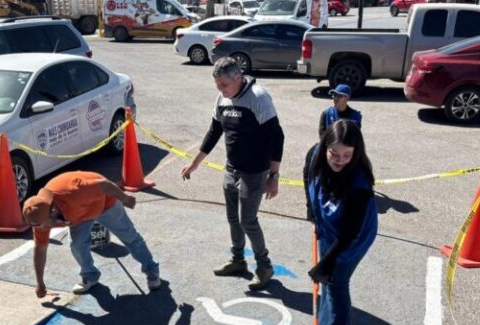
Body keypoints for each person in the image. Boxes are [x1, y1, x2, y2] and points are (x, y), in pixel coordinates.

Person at [181, 56, 285, 291]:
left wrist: (274, 176)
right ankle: (238, 261)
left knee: (248, 220)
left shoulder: (259, 97)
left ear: (238, 77)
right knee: (232, 218)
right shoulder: (223, 99)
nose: (221, 90)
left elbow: (277, 138)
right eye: (218, 85)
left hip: (255, 172)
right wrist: (194, 163)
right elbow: (214, 132)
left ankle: (264, 266)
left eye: (224, 85)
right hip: (232, 169)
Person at [306, 119, 378, 325]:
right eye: (334, 153)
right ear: (324, 146)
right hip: (329, 228)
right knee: (326, 286)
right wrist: (312, 214)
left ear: (356, 154)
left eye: (347, 155)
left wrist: (325, 263)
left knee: (336, 286)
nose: (338, 160)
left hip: (351, 239)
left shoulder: (359, 185)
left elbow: (349, 234)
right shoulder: (316, 154)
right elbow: (309, 174)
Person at [22, 171, 160, 297]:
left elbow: (104, 185)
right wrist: (39, 283)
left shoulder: (73, 191)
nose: (41, 228)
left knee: (130, 236)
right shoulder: (39, 217)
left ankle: (151, 269)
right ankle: (90, 276)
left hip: (106, 204)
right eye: (36, 226)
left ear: (52, 212)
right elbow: (40, 250)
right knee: (77, 245)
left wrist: (125, 199)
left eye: (43, 224)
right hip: (79, 216)